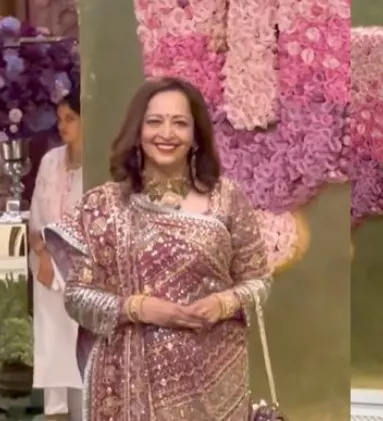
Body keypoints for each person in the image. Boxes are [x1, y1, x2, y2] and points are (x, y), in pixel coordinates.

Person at [42, 77, 274, 420]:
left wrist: (223, 303)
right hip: (132, 391)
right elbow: (77, 297)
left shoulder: (227, 198)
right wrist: (139, 308)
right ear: (138, 131)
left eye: (180, 123)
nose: (167, 133)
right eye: (154, 121)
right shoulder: (103, 206)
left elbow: (258, 280)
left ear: (196, 136)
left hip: (218, 382)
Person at [29, 89, 84, 421]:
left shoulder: (100, 163)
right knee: (51, 338)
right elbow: (37, 216)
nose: (62, 125)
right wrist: (44, 255)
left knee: (81, 341)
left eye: (70, 119)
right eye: (60, 118)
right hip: (47, 265)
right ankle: (55, 413)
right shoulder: (50, 161)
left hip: (84, 269)